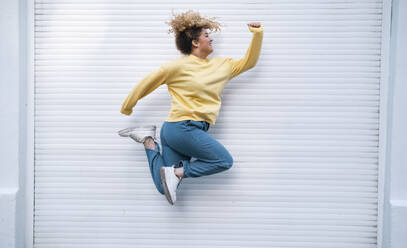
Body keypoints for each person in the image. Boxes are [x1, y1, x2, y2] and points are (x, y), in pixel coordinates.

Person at [118, 10, 263, 205]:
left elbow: (249, 62)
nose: (211, 39)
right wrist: (128, 106)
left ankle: (149, 141)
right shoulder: (176, 67)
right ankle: (177, 172)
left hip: (178, 132)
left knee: (164, 186)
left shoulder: (222, 66)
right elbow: (147, 82)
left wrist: (257, 34)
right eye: (206, 36)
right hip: (183, 128)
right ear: (195, 42)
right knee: (224, 161)